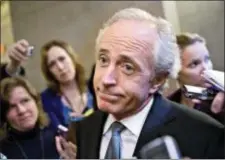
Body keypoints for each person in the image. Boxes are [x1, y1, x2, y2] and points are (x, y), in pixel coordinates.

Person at [60, 8, 224, 159]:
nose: (105, 79)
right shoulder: (84, 129)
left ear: (157, 80)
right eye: (103, 60)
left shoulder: (205, 135)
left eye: (127, 67)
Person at [168, 33, 224, 123]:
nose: (206, 68)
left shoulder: (220, 100)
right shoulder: (169, 105)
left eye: (207, 59)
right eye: (194, 64)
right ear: (175, 72)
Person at [40, 40, 94, 130]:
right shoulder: (46, 100)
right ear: (49, 72)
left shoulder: (94, 87)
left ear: (72, 58)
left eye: (62, 59)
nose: (60, 67)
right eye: (52, 64)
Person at [0, 77, 60, 159]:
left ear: (36, 101)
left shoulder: (58, 138)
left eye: (25, 101)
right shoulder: (2, 151)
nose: (22, 110)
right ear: (4, 115)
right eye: (12, 106)